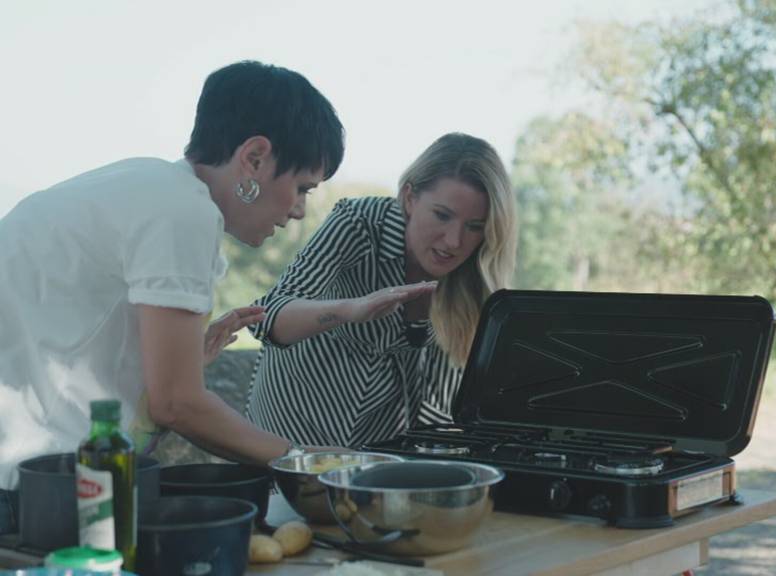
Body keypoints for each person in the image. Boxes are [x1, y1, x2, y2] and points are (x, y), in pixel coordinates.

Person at [0, 60, 349, 534]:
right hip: (32, 495)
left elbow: (115, 379)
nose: (299, 211)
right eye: (302, 188)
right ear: (255, 157)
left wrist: (179, 366)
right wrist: (312, 465)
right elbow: (177, 405)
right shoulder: (183, 212)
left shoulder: (140, 183)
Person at [246, 132, 518, 448]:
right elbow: (268, 317)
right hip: (292, 423)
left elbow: (443, 410)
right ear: (409, 197)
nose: (454, 241)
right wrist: (350, 310)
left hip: (378, 448)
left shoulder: (473, 280)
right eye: (442, 215)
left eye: (474, 227)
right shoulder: (358, 222)